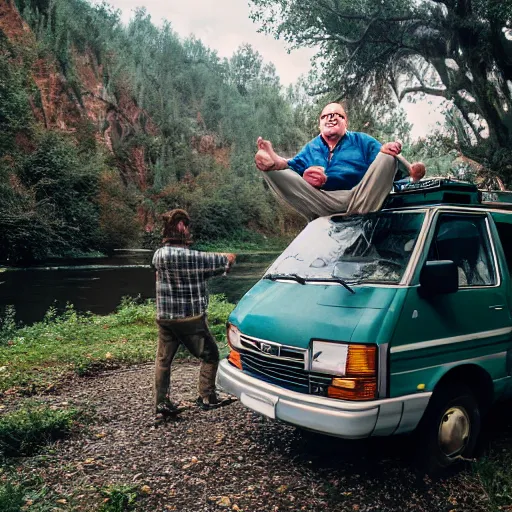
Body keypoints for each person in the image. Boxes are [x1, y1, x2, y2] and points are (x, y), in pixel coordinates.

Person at [152, 209, 236, 422]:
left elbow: (199, 270)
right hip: (190, 319)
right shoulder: (191, 257)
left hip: (165, 318)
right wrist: (230, 257)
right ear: (181, 226)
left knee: (163, 360)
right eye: (186, 227)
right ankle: (207, 397)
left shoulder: (158, 255)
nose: (189, 231)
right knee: (210, 355)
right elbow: (224, 260)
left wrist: (211, 268)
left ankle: (162, 403)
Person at [254, 102, 404, 221]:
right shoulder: (311, 147)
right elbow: (288, 166)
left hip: (361, 198)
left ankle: (359, 219)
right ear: (319, 124)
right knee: (271, 170)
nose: (330, 118)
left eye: (336, 115)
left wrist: (390, 151)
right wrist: (271, 159)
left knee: (386, 155)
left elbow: (388, 170)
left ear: (346, 122)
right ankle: (320, 217)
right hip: (323, 201)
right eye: (325, 116)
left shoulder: (362, 140)